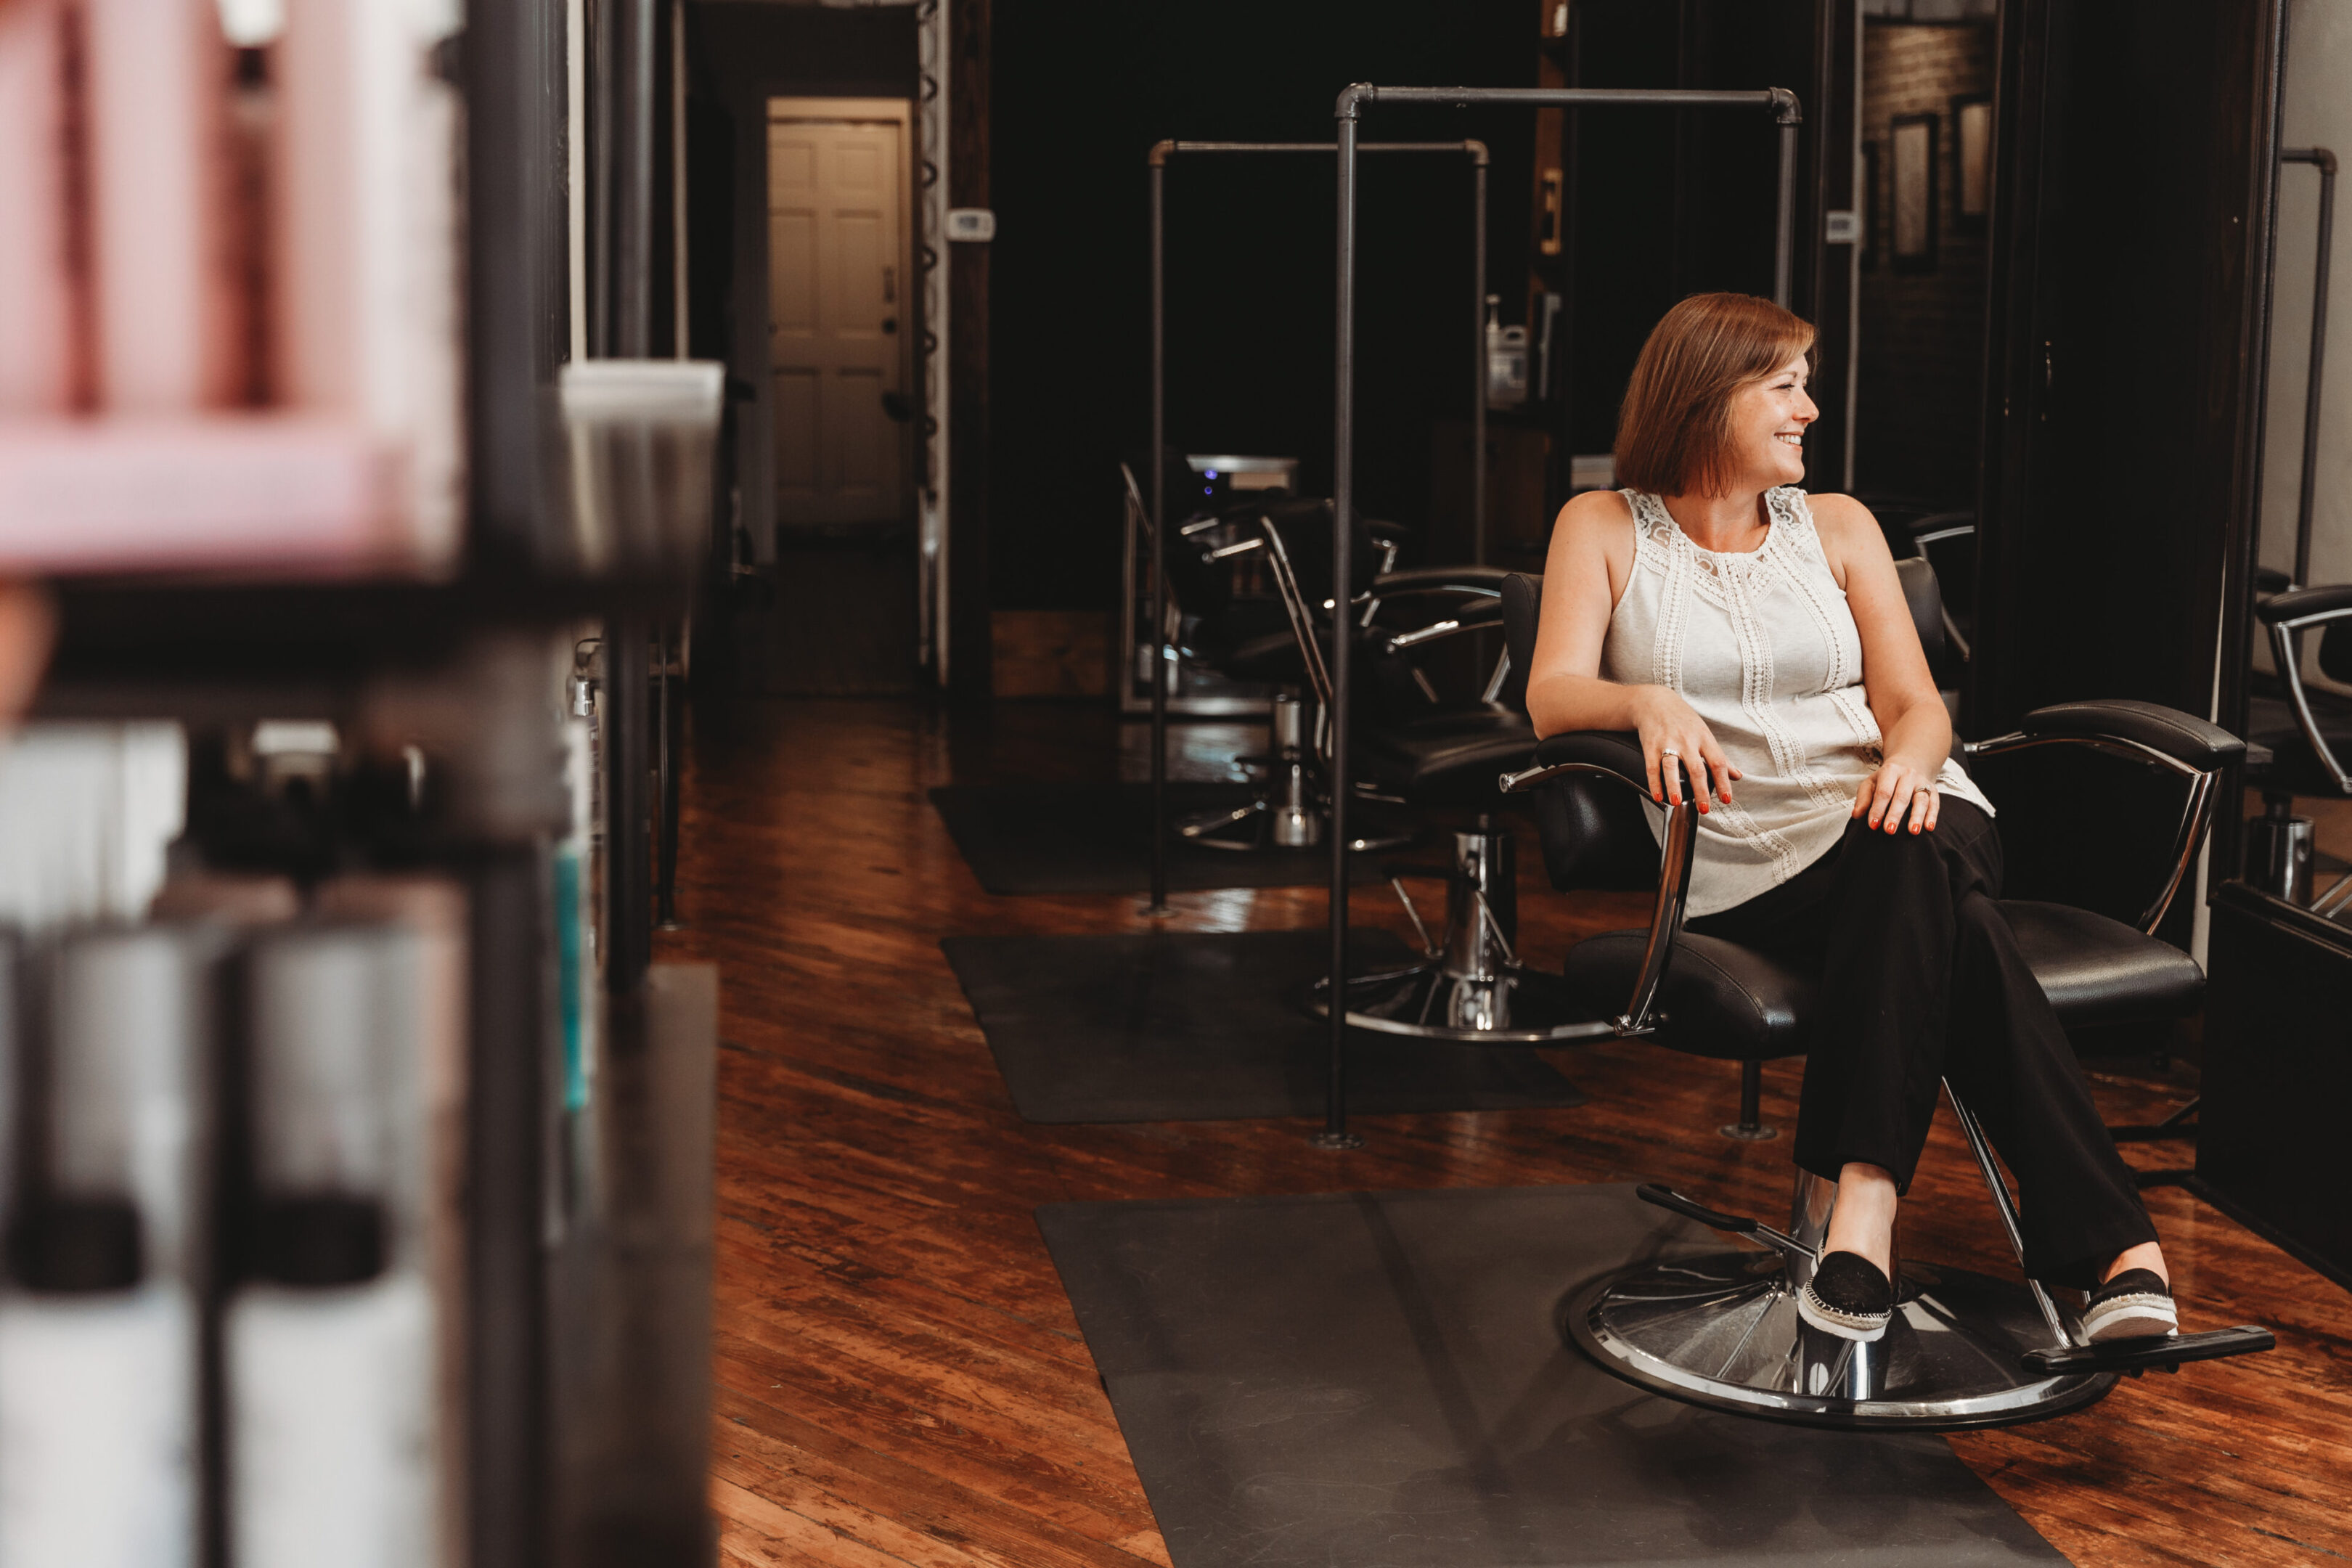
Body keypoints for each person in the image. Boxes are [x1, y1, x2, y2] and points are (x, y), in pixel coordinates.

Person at [1524, 291, 2174, 1346]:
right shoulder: (1601, 528)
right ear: (1706, 396)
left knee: (1904, 848)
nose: (1808, 410)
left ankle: (1863, 1209)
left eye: (1805, 385)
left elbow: (1917, 708)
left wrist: (1913, 770)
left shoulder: (1840, 527)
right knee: (1959, 932)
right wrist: (1641, 699)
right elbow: (1553, 693)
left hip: (1913, 808)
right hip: (1748, 862)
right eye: (1783, 386)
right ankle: (2117, 1252)